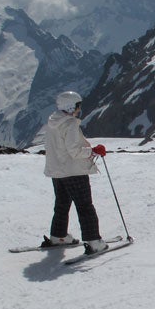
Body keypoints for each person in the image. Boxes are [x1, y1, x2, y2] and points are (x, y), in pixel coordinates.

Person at [43, 91, 108, 255]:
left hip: (57, 172)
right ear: (71, 106)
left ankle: (58, 236)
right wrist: (92, 151)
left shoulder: (52, 122)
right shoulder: (70, 124)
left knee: (62, 205)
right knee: (85, 206)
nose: (79, 109)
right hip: (73, 171)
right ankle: (94, 241)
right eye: (78, 106)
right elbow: (74, 151)